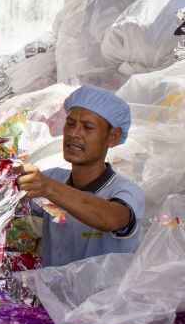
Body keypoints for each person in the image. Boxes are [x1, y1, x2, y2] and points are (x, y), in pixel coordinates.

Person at [16, 85, 144, 268]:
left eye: (88, 127)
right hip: (51, 294)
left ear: (113, 137)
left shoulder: (125, 190)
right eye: (70, 124)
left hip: (102, 296)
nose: (74, 134)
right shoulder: (54, 177)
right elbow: (16, 208)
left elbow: (111, 218)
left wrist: (47, 187)